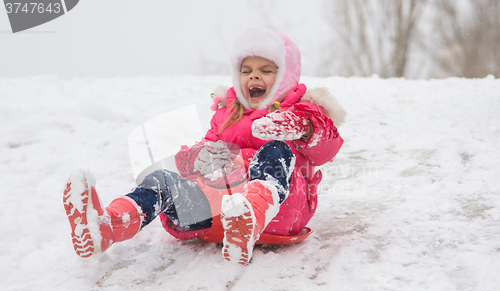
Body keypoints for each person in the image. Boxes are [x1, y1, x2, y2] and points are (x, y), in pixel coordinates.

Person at [63, 28, 346, 266]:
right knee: (164, 181)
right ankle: (107, 226)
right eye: (246, 70)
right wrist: (194, 159)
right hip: (216, 213)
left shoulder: (302, 112)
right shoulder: (226, 113)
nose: (254, 77)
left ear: (285, 76)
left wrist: (303, 128)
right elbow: (207, 147)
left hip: (278, 213)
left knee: (276, 151)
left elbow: (328, 147)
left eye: (266, 70)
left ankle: (252, 215)